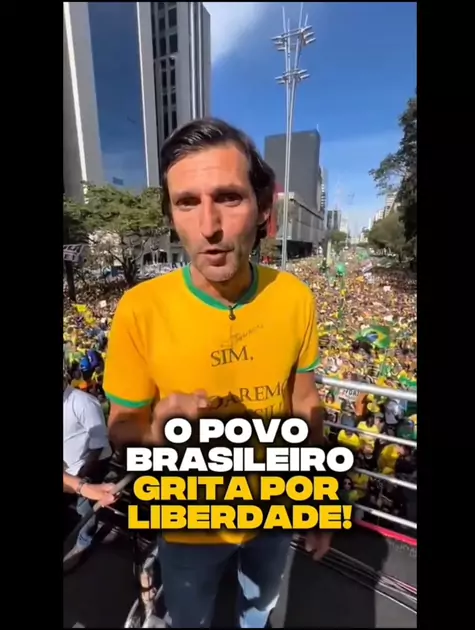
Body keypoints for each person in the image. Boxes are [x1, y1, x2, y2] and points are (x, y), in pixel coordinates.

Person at [104, 118, 332, 628]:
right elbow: (122, 426)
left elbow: (305, 402)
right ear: (172, 215)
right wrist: (157, 429)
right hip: (188, 523)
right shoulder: (139, 309)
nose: (209, 226)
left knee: (258, 612)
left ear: (263, 208)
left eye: (228, 197)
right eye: (187, 202)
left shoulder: (295, 298)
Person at [63, 367, 114, 567]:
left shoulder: (83, 402)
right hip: (67, 470)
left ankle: (82, 544)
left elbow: (98, 444)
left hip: (91, 464)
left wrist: (83, 480)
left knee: (86, 509)